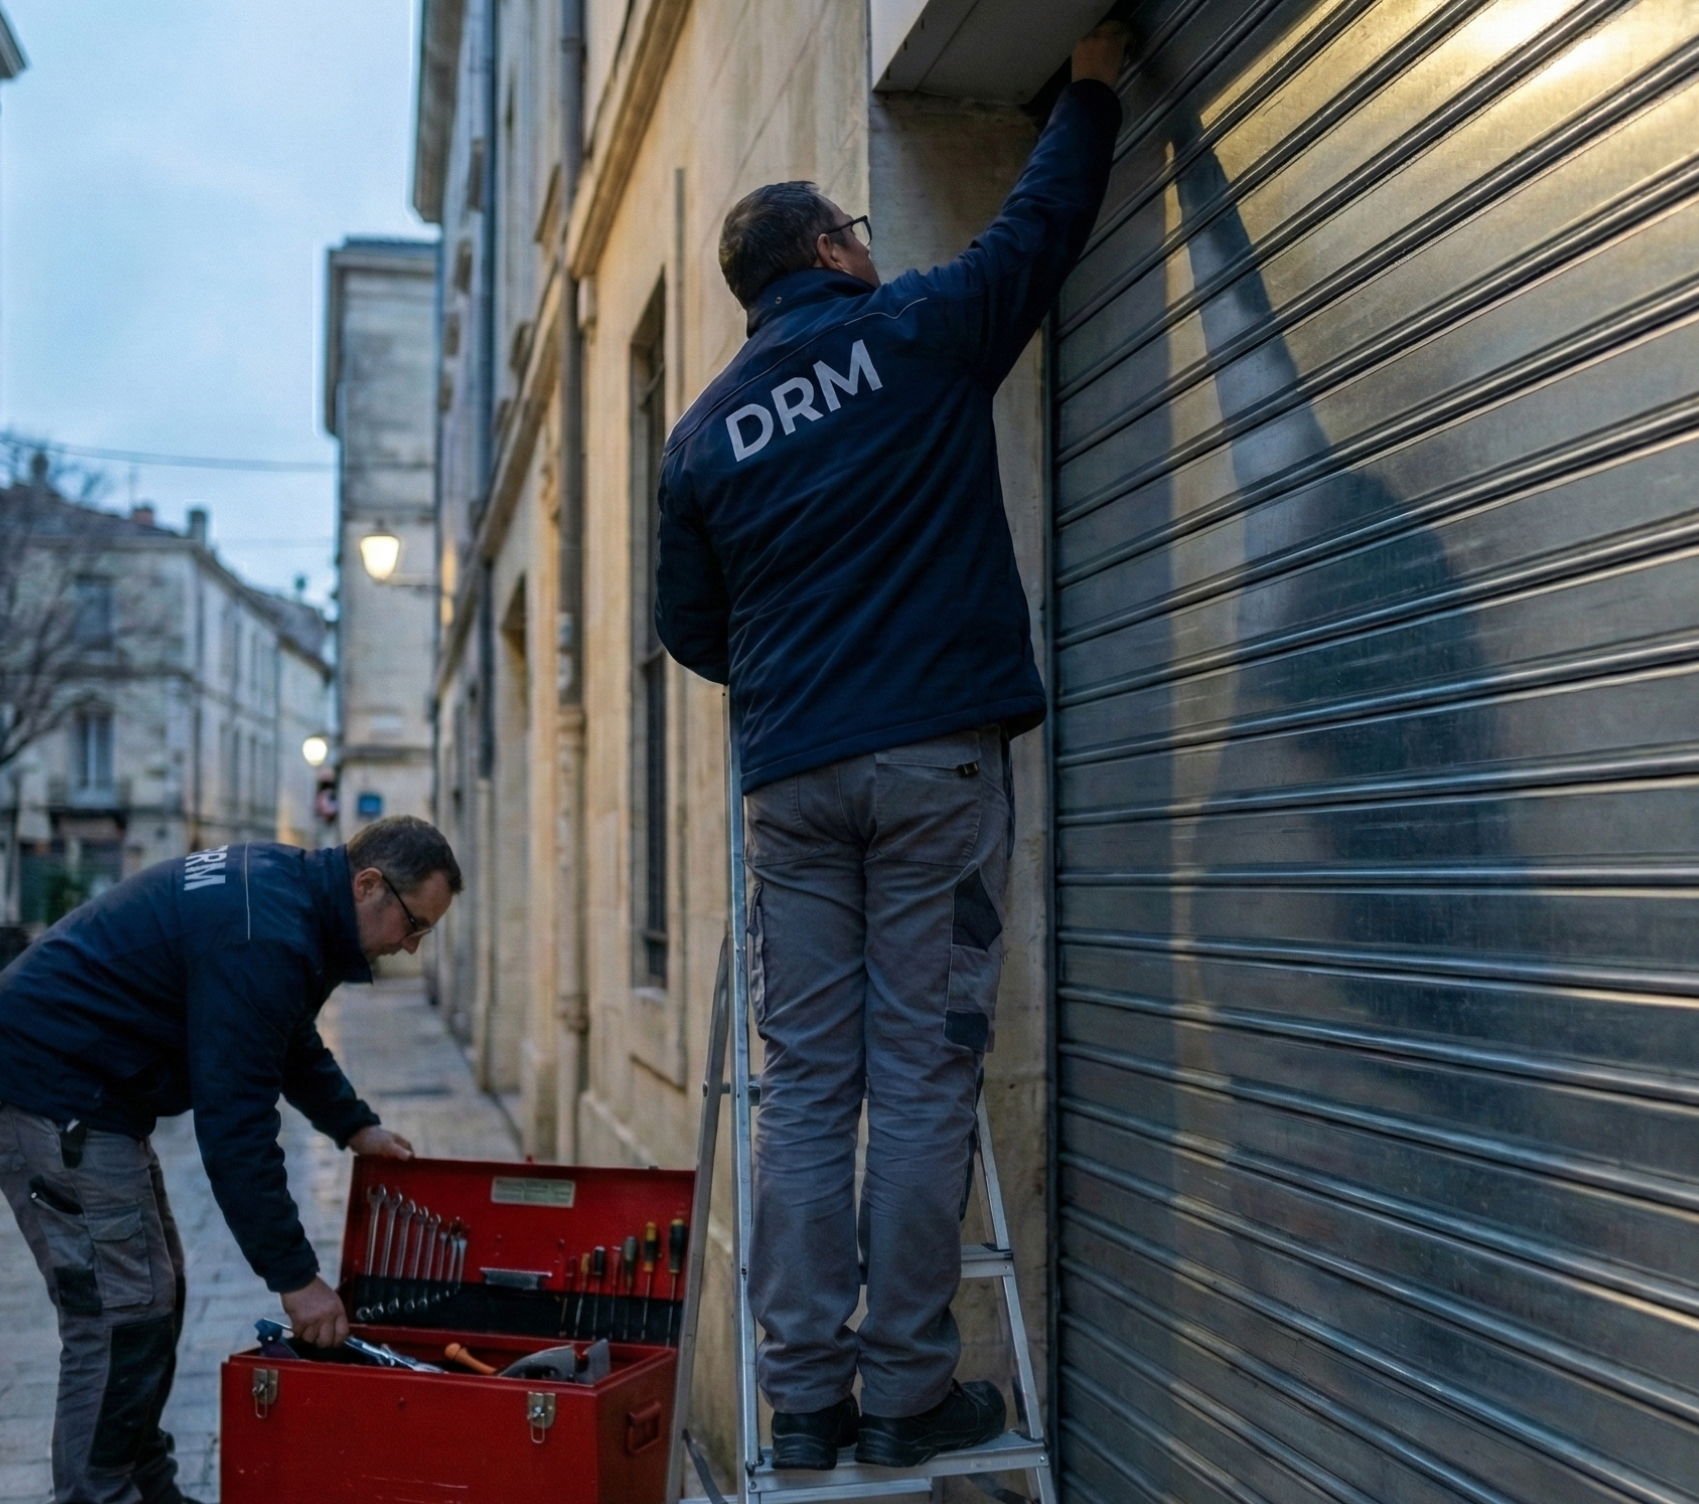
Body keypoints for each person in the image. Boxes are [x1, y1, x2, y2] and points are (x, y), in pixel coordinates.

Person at [653, 22, 1128, 1474]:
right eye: (854, 227)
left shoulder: (704, 438)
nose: (870, 239)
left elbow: (692, 630)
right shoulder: (913, 333)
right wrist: (1093, 92)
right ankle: (905, 1390)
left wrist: (802, 678)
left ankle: (800, 1406)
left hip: (792, 782)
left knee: (807, 1088)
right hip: (932, 766)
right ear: (830, 254)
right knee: (921, 1077)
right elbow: (1037, 232)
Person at [0, 816, 461, 1504]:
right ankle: (98, 1495)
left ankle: (147, 1486)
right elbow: (236, 1126)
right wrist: (297, 1279)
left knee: (157, 1290)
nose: (411, 946)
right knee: (119, 1307)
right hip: (39, 1082)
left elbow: (285, 1035)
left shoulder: (294, 898)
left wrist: (354, 1125)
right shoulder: (269, 933)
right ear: (369, 884)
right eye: (413, 924)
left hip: (89, 1087)